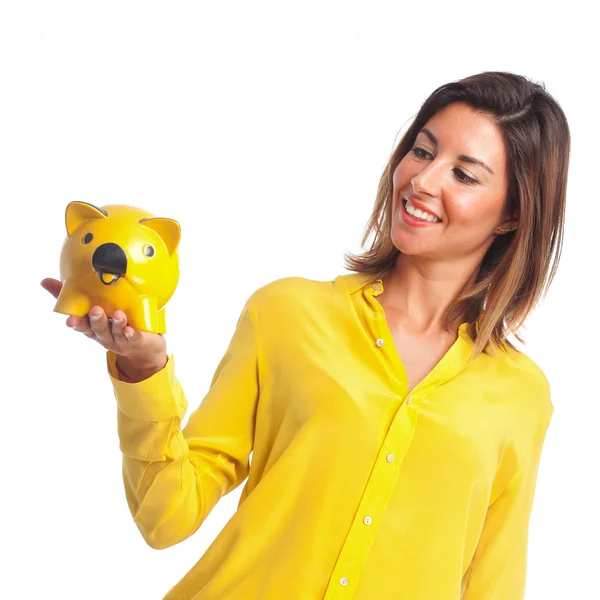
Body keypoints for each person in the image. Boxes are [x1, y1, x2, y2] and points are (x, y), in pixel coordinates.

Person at [41, 71, 570, 599]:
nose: (424, 182)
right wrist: (143, 370)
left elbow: (493, 581)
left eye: (465, 174)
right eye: (423, 151)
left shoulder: (520, 395)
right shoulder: (287, 314)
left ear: (513, 214)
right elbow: (166, 517)